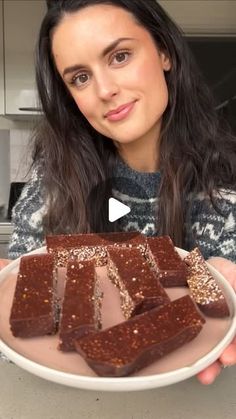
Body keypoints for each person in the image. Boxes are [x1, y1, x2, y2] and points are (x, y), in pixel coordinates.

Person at [0, 0, 236, 384]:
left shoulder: (227, 190)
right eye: (79, 78)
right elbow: (16, 350)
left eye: (120, 56)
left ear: (164, 52)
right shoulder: (54, 184)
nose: (105, 90)